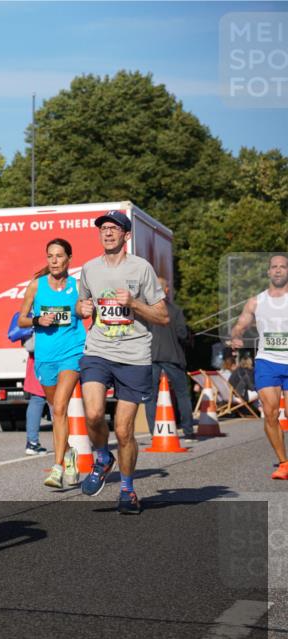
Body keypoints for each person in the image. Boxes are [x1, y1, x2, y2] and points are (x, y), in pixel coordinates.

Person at [76, 210, 169, 514]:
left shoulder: (142, 269)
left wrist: (133, 303)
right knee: (92, 414)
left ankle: (127, 490)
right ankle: (103, 457)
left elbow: (163, 316)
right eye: (104, 228)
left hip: (133, 356)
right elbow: (82, 304)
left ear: (126, 235)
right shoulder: (89, 269)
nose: (108, 232)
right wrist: (82, 308)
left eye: (115, 228)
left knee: (124, 430)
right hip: (98, 350)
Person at [18, 238, 86, 488]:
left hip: (72, 353)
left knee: (59, 408)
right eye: (50, 256)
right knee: (56, 411)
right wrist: (38, 320)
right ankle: (69, 453)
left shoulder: (77, 286)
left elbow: (82, 310)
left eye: (59, 256)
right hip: (45, 357)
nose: (54, 261)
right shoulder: (36, 286)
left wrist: (86, 309)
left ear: (69, 258)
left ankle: (57, 468)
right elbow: (21, 320)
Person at [229, 252, 288, 480]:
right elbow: (240, 324)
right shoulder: (256, 301)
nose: (278, 270)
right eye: (274, 266)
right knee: (271, 413)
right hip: (267, 362)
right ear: (268, 272)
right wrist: (236, 335)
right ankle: (283, 463)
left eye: (283, 266)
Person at [146, 277, 195, 443]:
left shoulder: (146, 310)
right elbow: (182, 334)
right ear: (166, 290)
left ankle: (154, 432)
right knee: (182, 393)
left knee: (151, 397)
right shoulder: (175, 310)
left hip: (150, 357)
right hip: (173, 357)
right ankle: (188, 431)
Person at [8, 312, 48, 456]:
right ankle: (66, 442)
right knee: (56, 401)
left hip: (36, 360)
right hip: (48, 358)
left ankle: (32, 442)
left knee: (37, 400)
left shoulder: (30, 311)